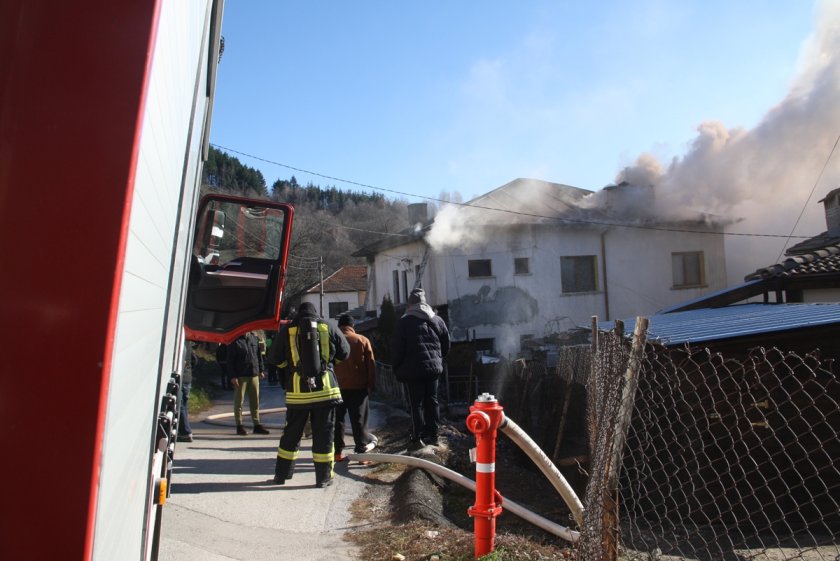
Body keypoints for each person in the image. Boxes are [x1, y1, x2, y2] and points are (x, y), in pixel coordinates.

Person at [267, 302, 350, 488]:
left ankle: (281, 476)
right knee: (324, 435)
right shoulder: (327, 326)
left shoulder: (288, 330)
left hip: (298, 394)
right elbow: (345, 352)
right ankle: (323, 478)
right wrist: (328, 365)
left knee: (291, 435)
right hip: (326, 392)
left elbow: (273, 358)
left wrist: (290, 369)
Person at [391, 288, 450, 451]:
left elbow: (397, 349)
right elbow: (446, 345)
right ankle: (434, 435)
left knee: (416, 404)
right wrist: (438, 359)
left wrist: (396, 367)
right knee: (432, 400)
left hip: (412, 371)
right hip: (433, 370)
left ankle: (418, 437)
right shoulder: (437, 320)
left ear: (409, 305)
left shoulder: (403, 322)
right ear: (424, 303)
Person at [333, 313, 377, 462]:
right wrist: (370, 385)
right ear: (352, 326)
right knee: (359, 420)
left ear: (339, 326)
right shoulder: (362, 340)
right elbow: (370, 364)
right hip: (359, 387)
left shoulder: (332, 340)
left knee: (337, 420)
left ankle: (337, 453)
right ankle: (361, 453)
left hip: (336, 387)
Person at [226, 331, 270, 436]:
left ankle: (257, 425)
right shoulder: (235, 341)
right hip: (241, 375)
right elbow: (230, 360)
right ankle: (239, 425)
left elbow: (258, 355)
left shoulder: (254, 338)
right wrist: (233, 376)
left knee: (255, 401)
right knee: (239, 402)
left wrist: (261, 370)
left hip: (253, 374)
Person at [178, 341, 195, 442]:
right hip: (188, 378)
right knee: (184, 405)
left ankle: (186, 432)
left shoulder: (180, 343)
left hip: (182, 378)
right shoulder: (188, 344)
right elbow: (194, 360)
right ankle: (183, 430)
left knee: (180, 406)